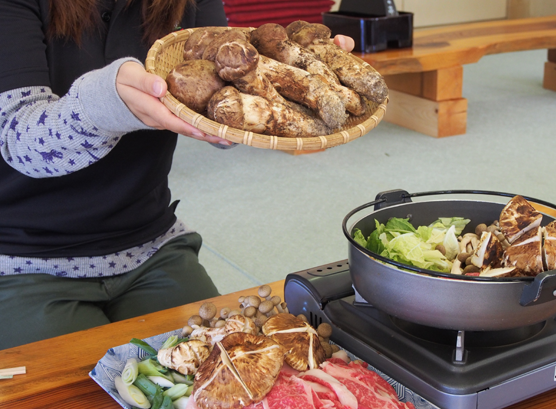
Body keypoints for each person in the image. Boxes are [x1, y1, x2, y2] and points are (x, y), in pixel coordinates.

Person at [0, 0, 355, 350]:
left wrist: (299, 87)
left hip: (149, 243)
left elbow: (218, 104)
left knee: (226, 374)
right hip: (24, 257)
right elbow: (19, 138)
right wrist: (106, 102)